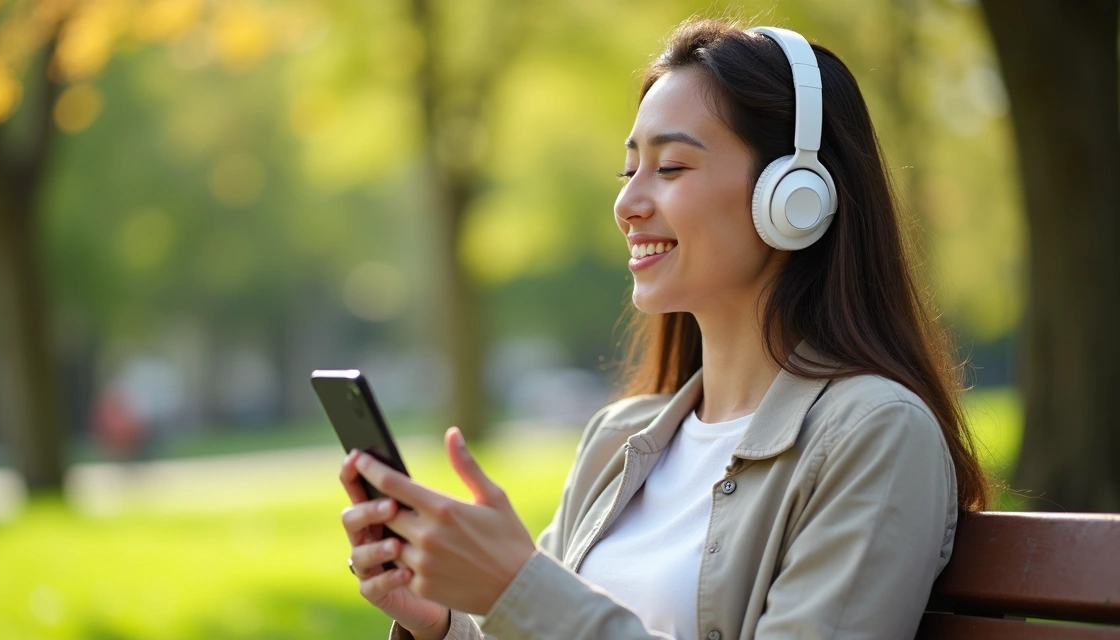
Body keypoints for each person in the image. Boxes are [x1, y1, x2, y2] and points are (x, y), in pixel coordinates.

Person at [338, 18, 989, 640]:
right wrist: (438, 622)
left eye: (671, 168)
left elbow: (538, 608)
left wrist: (518, 587)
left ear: (796, 197)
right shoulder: (619, 438)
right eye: (629, 171)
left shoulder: (873, 433)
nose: (627, 204)